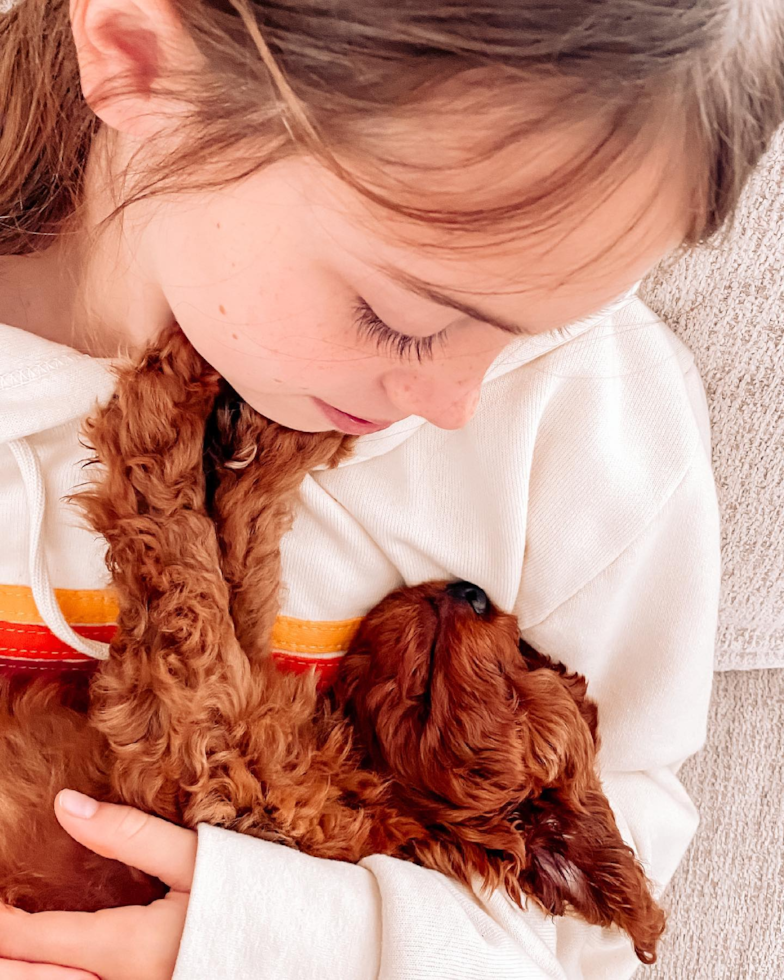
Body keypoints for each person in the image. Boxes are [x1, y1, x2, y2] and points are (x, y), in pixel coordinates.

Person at [0, 0, 782, 977]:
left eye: (534, 326)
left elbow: (586, 922)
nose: (455, 403)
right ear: (139, 60)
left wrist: (287, 946)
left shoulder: (589, 423)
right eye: (403, 320)